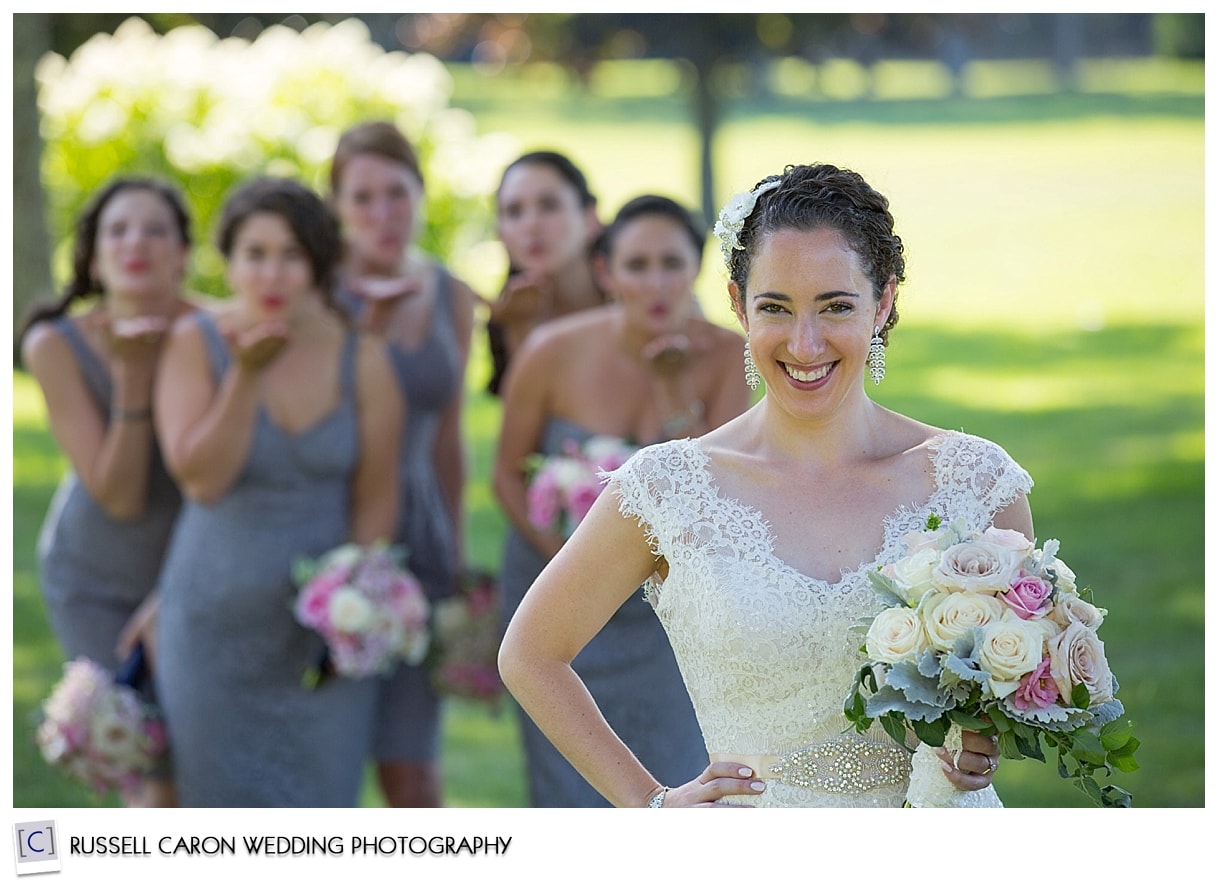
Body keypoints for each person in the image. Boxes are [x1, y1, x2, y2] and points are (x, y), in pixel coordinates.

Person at [498, 163, 1021, 808]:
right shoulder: (668, 490)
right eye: (775, 307)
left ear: (882, 303)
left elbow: (1006, 689)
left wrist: (982, 738)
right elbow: (529, 654)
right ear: (738, 304)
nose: (804, 344)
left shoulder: (977, 481)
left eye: (836, 306)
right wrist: (650, 804)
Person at [150, 176, 403, 807]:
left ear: (317, 264)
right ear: (229, 262)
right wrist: (245, 377)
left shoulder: (362, 358)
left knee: (323, 810)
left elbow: (376, 498)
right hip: (212, 630)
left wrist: (356, 604)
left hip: (321, 641)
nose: (272, 273)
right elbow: (202, 480)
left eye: (291, 255)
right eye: (254, 254)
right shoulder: (194, 344)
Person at [493, 193, 751, 806]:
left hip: (668, 613)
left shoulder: (726, 358)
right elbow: (505, 476)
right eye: (637, 265)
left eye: (672, 263)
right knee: (567, 789)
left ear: (699, 268)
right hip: (562, 595)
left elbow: (710, 500)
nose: (656, 283)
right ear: (605, 271)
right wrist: (579, 564)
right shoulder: (552, 350)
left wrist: (672, 393)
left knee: (678, 771)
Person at [18, 176, 203, 807]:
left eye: (156, 230)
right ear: (93, 257)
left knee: (200, 764)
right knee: (150, 778)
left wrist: (176, 586)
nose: (137, 244)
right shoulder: (55, 346)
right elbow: (118, 498)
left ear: (183, 253)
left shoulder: (217, 333)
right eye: (117, 230)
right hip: (92, 579)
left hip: (187, 567)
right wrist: (132, 376)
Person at [327, 120, 477, 807]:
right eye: (362, 198)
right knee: (326, 750)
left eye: (397, 192)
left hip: (419, 537)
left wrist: (453, 555)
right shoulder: (315, 292)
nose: (382, 214)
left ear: (420, 194)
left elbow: (448, 442)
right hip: (329, 531)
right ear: (335, 208)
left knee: (411, 766)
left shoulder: (450, 293)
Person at [485, 150, 605, 396]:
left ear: (590, 218)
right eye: (514, 212)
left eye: (549, 206)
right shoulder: (509, 317)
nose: (531, 224)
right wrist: (521, 333)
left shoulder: (645, 292)